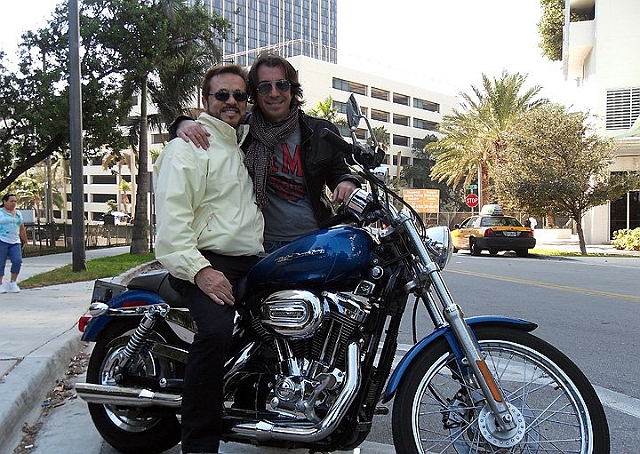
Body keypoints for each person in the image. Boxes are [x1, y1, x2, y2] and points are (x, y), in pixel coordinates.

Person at [153, 63, 264, 454]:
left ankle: (262, 415)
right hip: (203, 260)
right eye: (222, 95)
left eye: (239, 95)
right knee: (216, 333)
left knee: (283, 323)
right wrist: (200, 271)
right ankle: (199, 445)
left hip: (250, 260)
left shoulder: (243, 143)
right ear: (206, 100)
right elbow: (172, 224)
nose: (231, 101)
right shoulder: (187, 148)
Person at [174, 52, 360, 252]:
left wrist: (347, 182)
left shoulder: (320, 131)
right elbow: (211, 127)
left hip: (316, 238)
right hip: (262, 244)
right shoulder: (241, 130)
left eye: (282, 85)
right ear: (254, 93)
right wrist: (181, 123)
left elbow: (341, 172)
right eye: (264, 87)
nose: (274, 93)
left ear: (292, 89)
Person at [0, 193, 28, 294]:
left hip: (15, 241)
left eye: (15, 201)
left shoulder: (18, 213)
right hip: (2, 240)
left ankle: (13, 282)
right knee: (1, 263)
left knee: (17, 261)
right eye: (11, 201)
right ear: (4, 201)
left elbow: (21, 228)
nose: (13, 203)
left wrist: (25, 240)